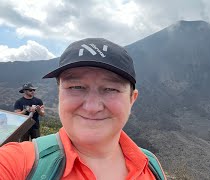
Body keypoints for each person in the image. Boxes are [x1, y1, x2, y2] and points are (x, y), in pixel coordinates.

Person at [0, 38, 166, 179]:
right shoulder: (18, 163)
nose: (92, 107)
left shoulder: (151, 165)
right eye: (76, 87)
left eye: (110, 89)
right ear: (59, 94)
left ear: (132, 99)